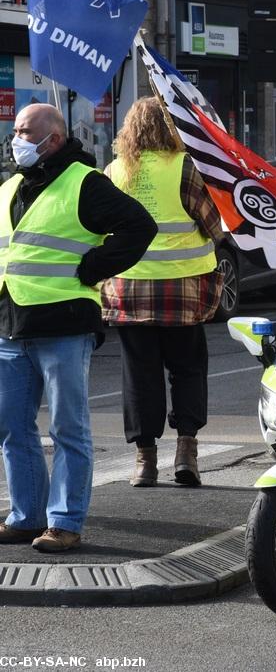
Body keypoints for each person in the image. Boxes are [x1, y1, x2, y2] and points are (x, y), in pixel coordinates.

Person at [0, 103, 156, 552]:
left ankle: (64, 522)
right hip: (12, 323)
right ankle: (26, 515)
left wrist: (94, 267)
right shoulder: (11, 186)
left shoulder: (85, 182)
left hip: (64, 324)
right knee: (12, 426)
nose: (17, 139)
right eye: (15, 131)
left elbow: (138, 226)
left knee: (68, 428)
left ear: (52, 138)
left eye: (25, 131)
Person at [102, 97, 225, 488]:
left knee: (140, 375)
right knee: (187, 369)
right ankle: (186, 449)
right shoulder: (185, 168)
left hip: (129, 291)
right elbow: (213, 225)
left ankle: (145, 460)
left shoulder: (114, 172)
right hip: (183, 292)